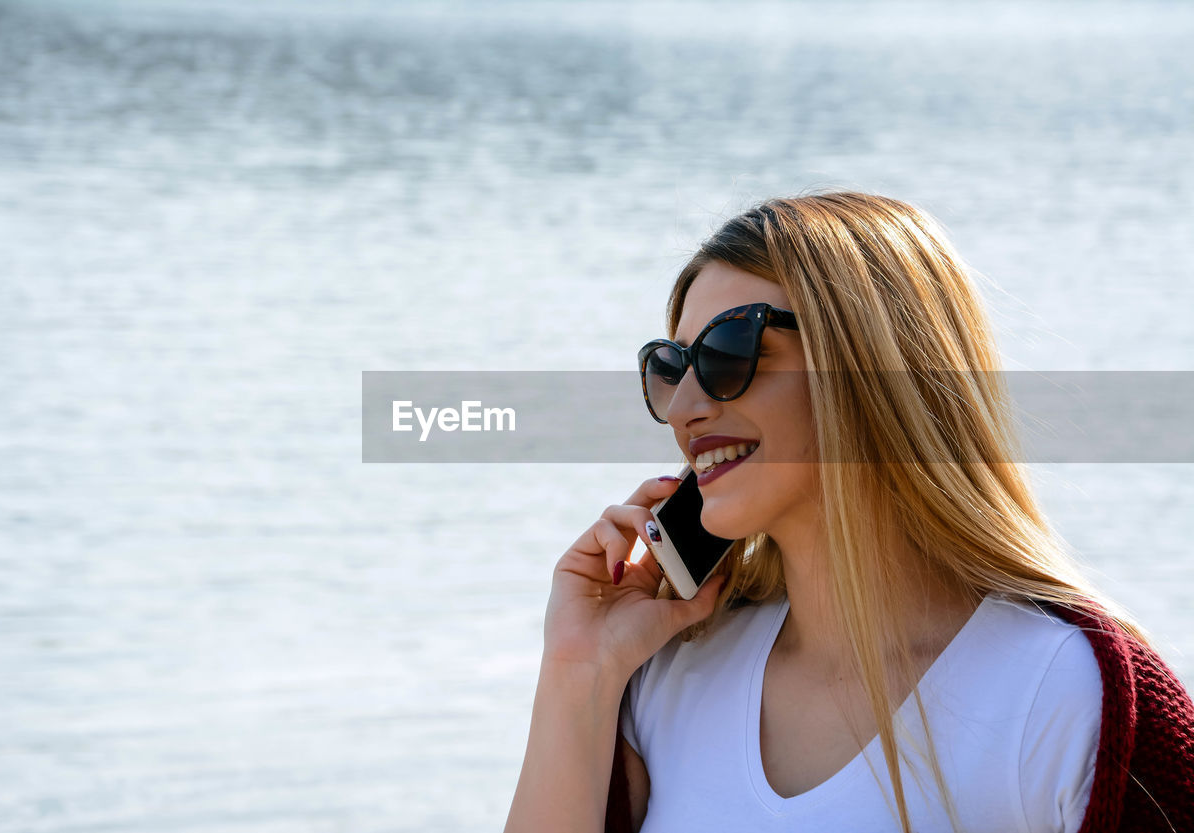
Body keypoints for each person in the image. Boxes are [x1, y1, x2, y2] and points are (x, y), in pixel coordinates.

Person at [502, 192, 1194, 833]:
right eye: (673, 365)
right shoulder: (670, 679)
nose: (685, 408)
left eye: (728, 352)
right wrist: (577, 668)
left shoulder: (1066, 693)